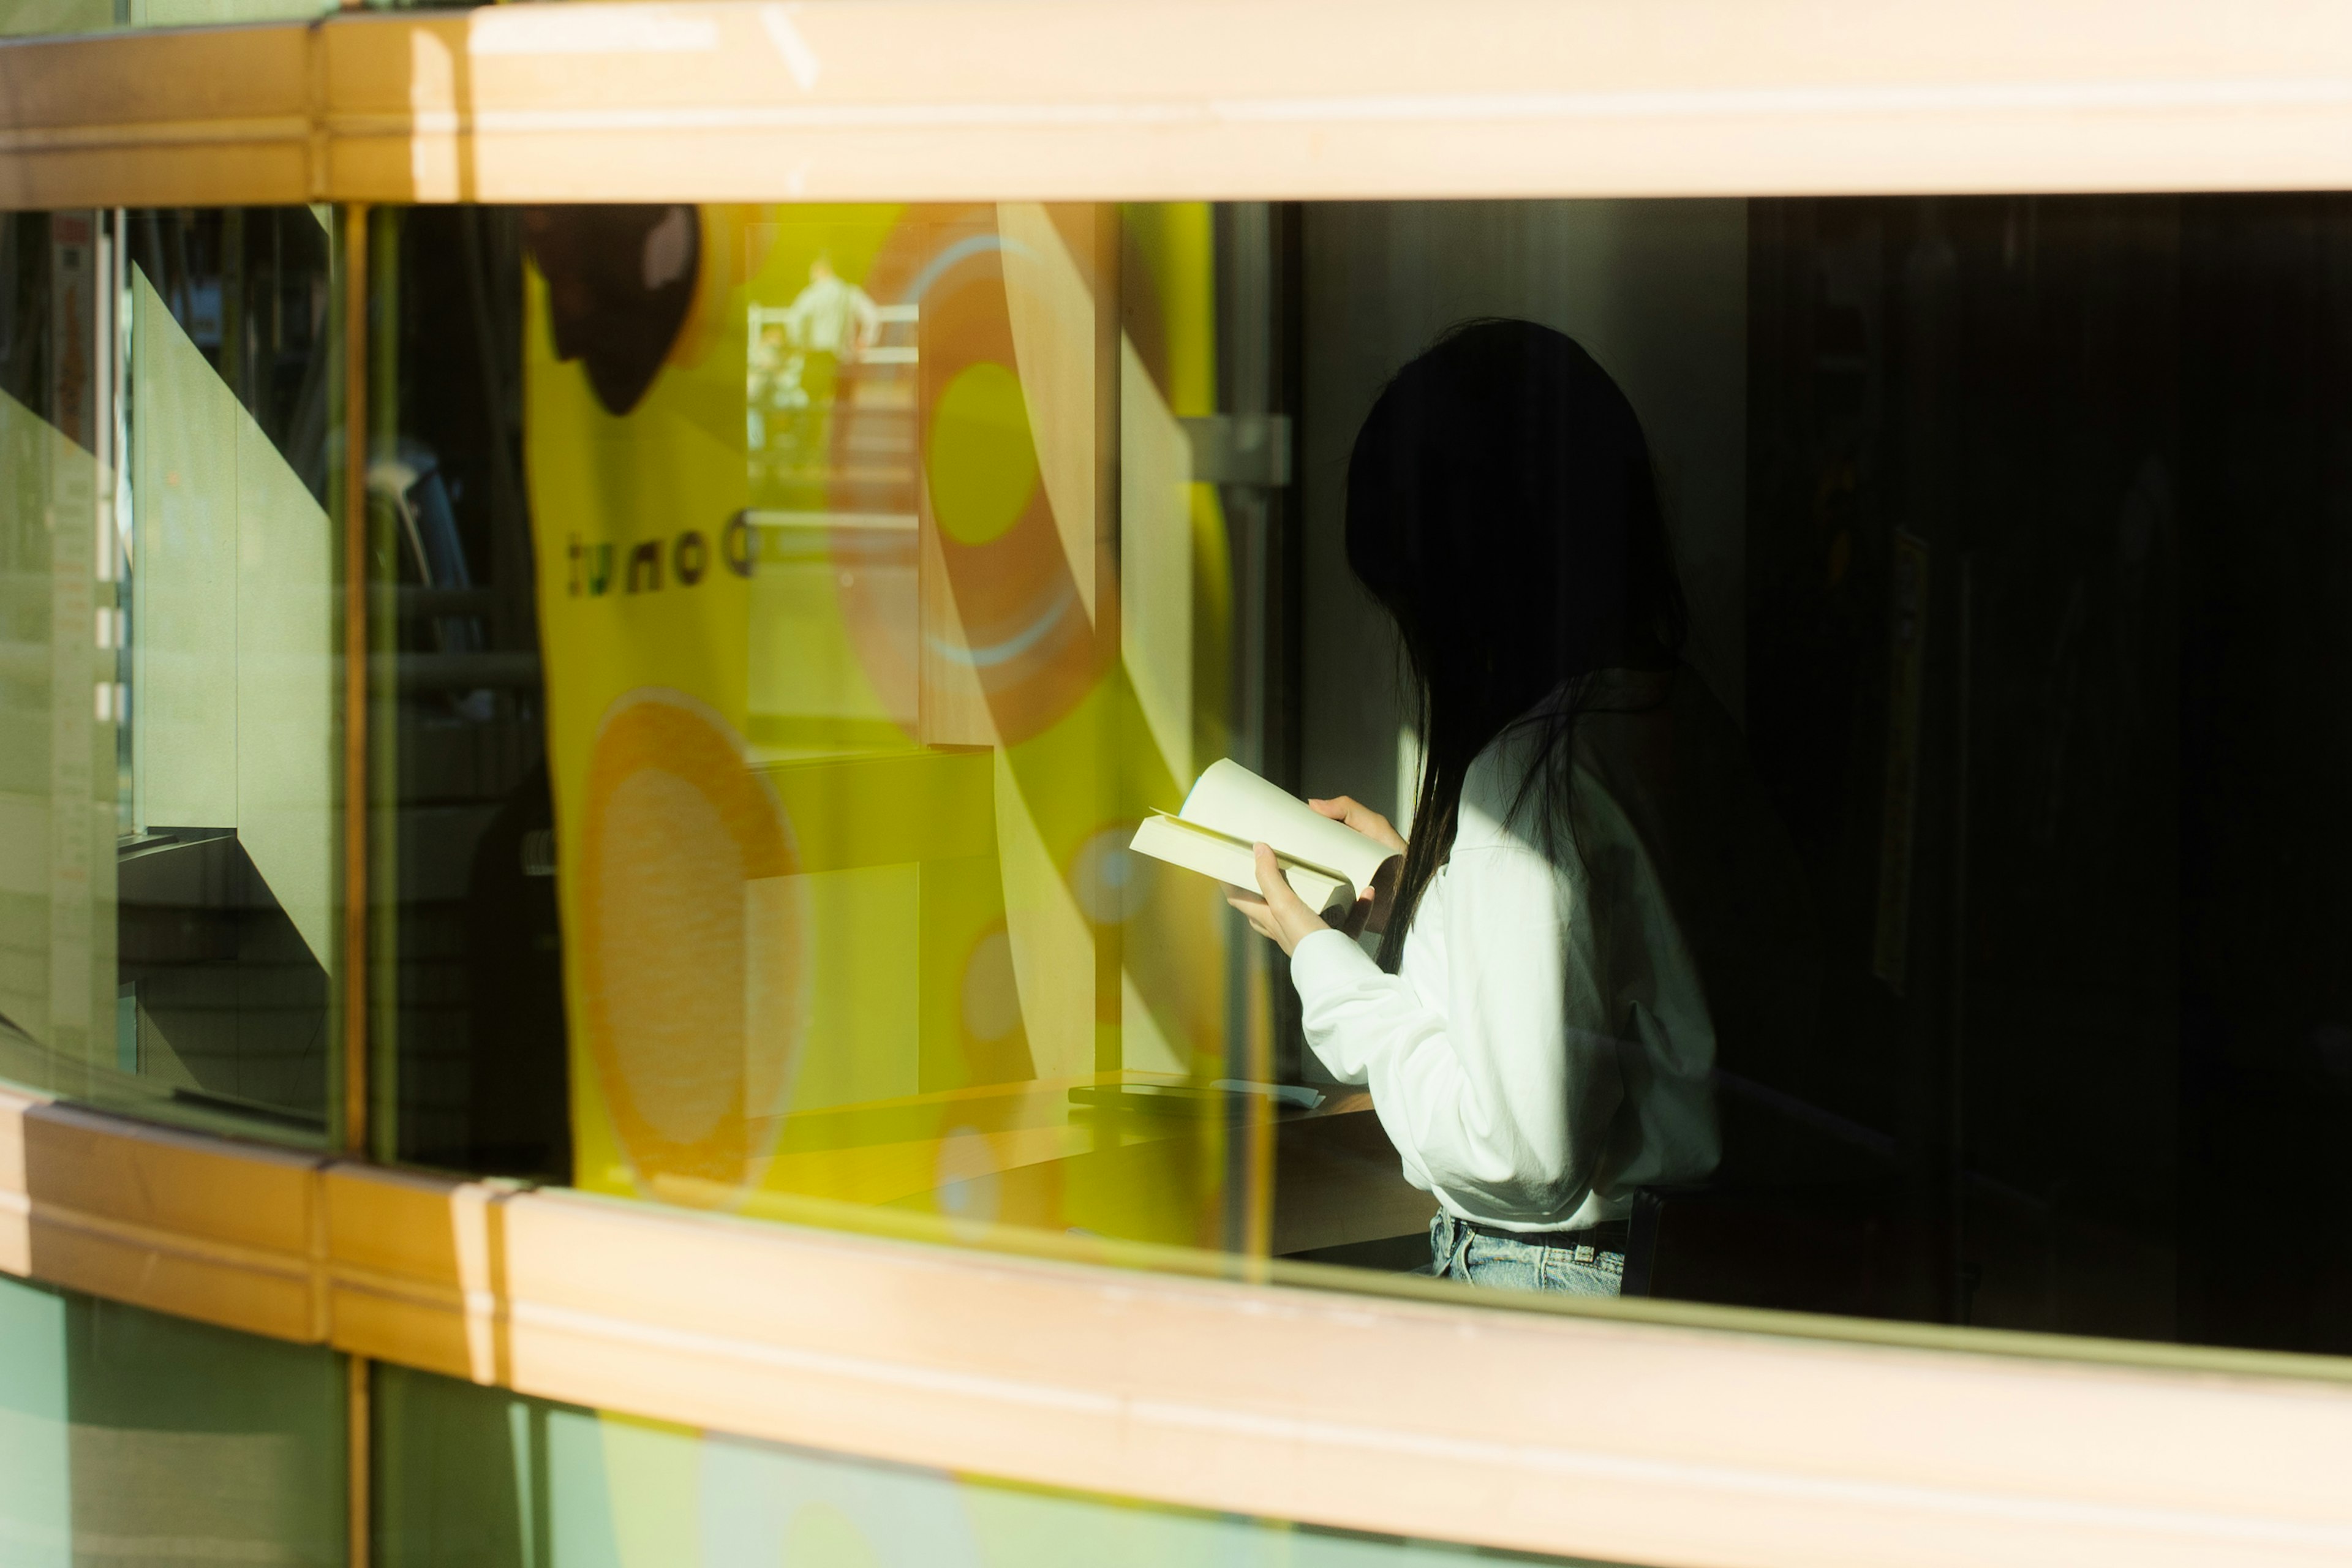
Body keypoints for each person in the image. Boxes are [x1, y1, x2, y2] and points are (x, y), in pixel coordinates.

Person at [1228, 318, 1742, 1295]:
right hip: (1681, 1278)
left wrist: (1324, 965)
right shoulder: (1676, 717)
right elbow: (1621, 1003)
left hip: (1554, 1283)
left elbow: (1516, 1155)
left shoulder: (1532, 776)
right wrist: (1427, 889)